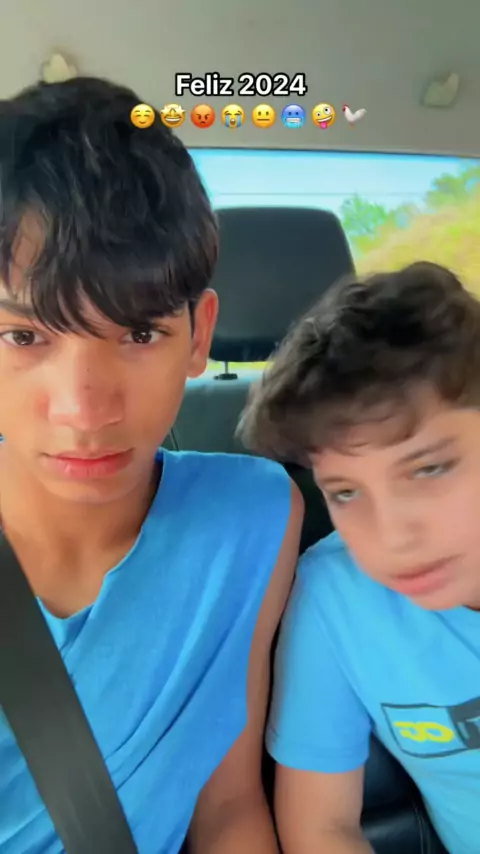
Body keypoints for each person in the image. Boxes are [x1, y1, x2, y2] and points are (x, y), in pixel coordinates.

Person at [0, 77, 303, 854]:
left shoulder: (253, 518)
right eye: (23, 337)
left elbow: (227, 805)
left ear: (199, 336)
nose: (84, 410)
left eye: (138, 334)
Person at [238, 261, 480, 854]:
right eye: (345, 493)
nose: (392, 537)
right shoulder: (336, 599)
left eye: (430, 468)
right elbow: (322, 828)